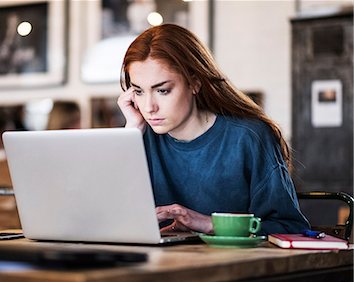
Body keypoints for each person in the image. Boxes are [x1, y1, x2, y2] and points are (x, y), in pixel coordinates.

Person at [117, 24, 310, 235]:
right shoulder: (138, 137)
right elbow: (107, 217)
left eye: (162, 90)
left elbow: (290, 228)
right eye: (138, 92)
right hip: (153, 264)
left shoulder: (248, 137)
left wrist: (210, 224)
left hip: (233, 265)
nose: (149, 107)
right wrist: (130, 136)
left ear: (195, 83)